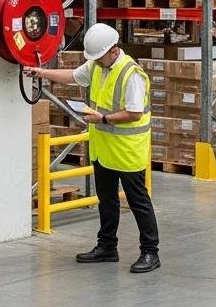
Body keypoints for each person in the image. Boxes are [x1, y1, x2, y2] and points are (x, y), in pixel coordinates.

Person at [25, 22, 159, 273]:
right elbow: (73, 76)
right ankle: (107, 246)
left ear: (113, 50)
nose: (95, 62)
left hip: (128, 150)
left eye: (99, 58)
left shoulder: (132, 75)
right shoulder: (98, 65)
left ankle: (150, 251)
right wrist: (41, 73)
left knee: (138, 201)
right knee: (106, 200)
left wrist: (103, 119)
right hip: (103, 148)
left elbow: (134, 113)